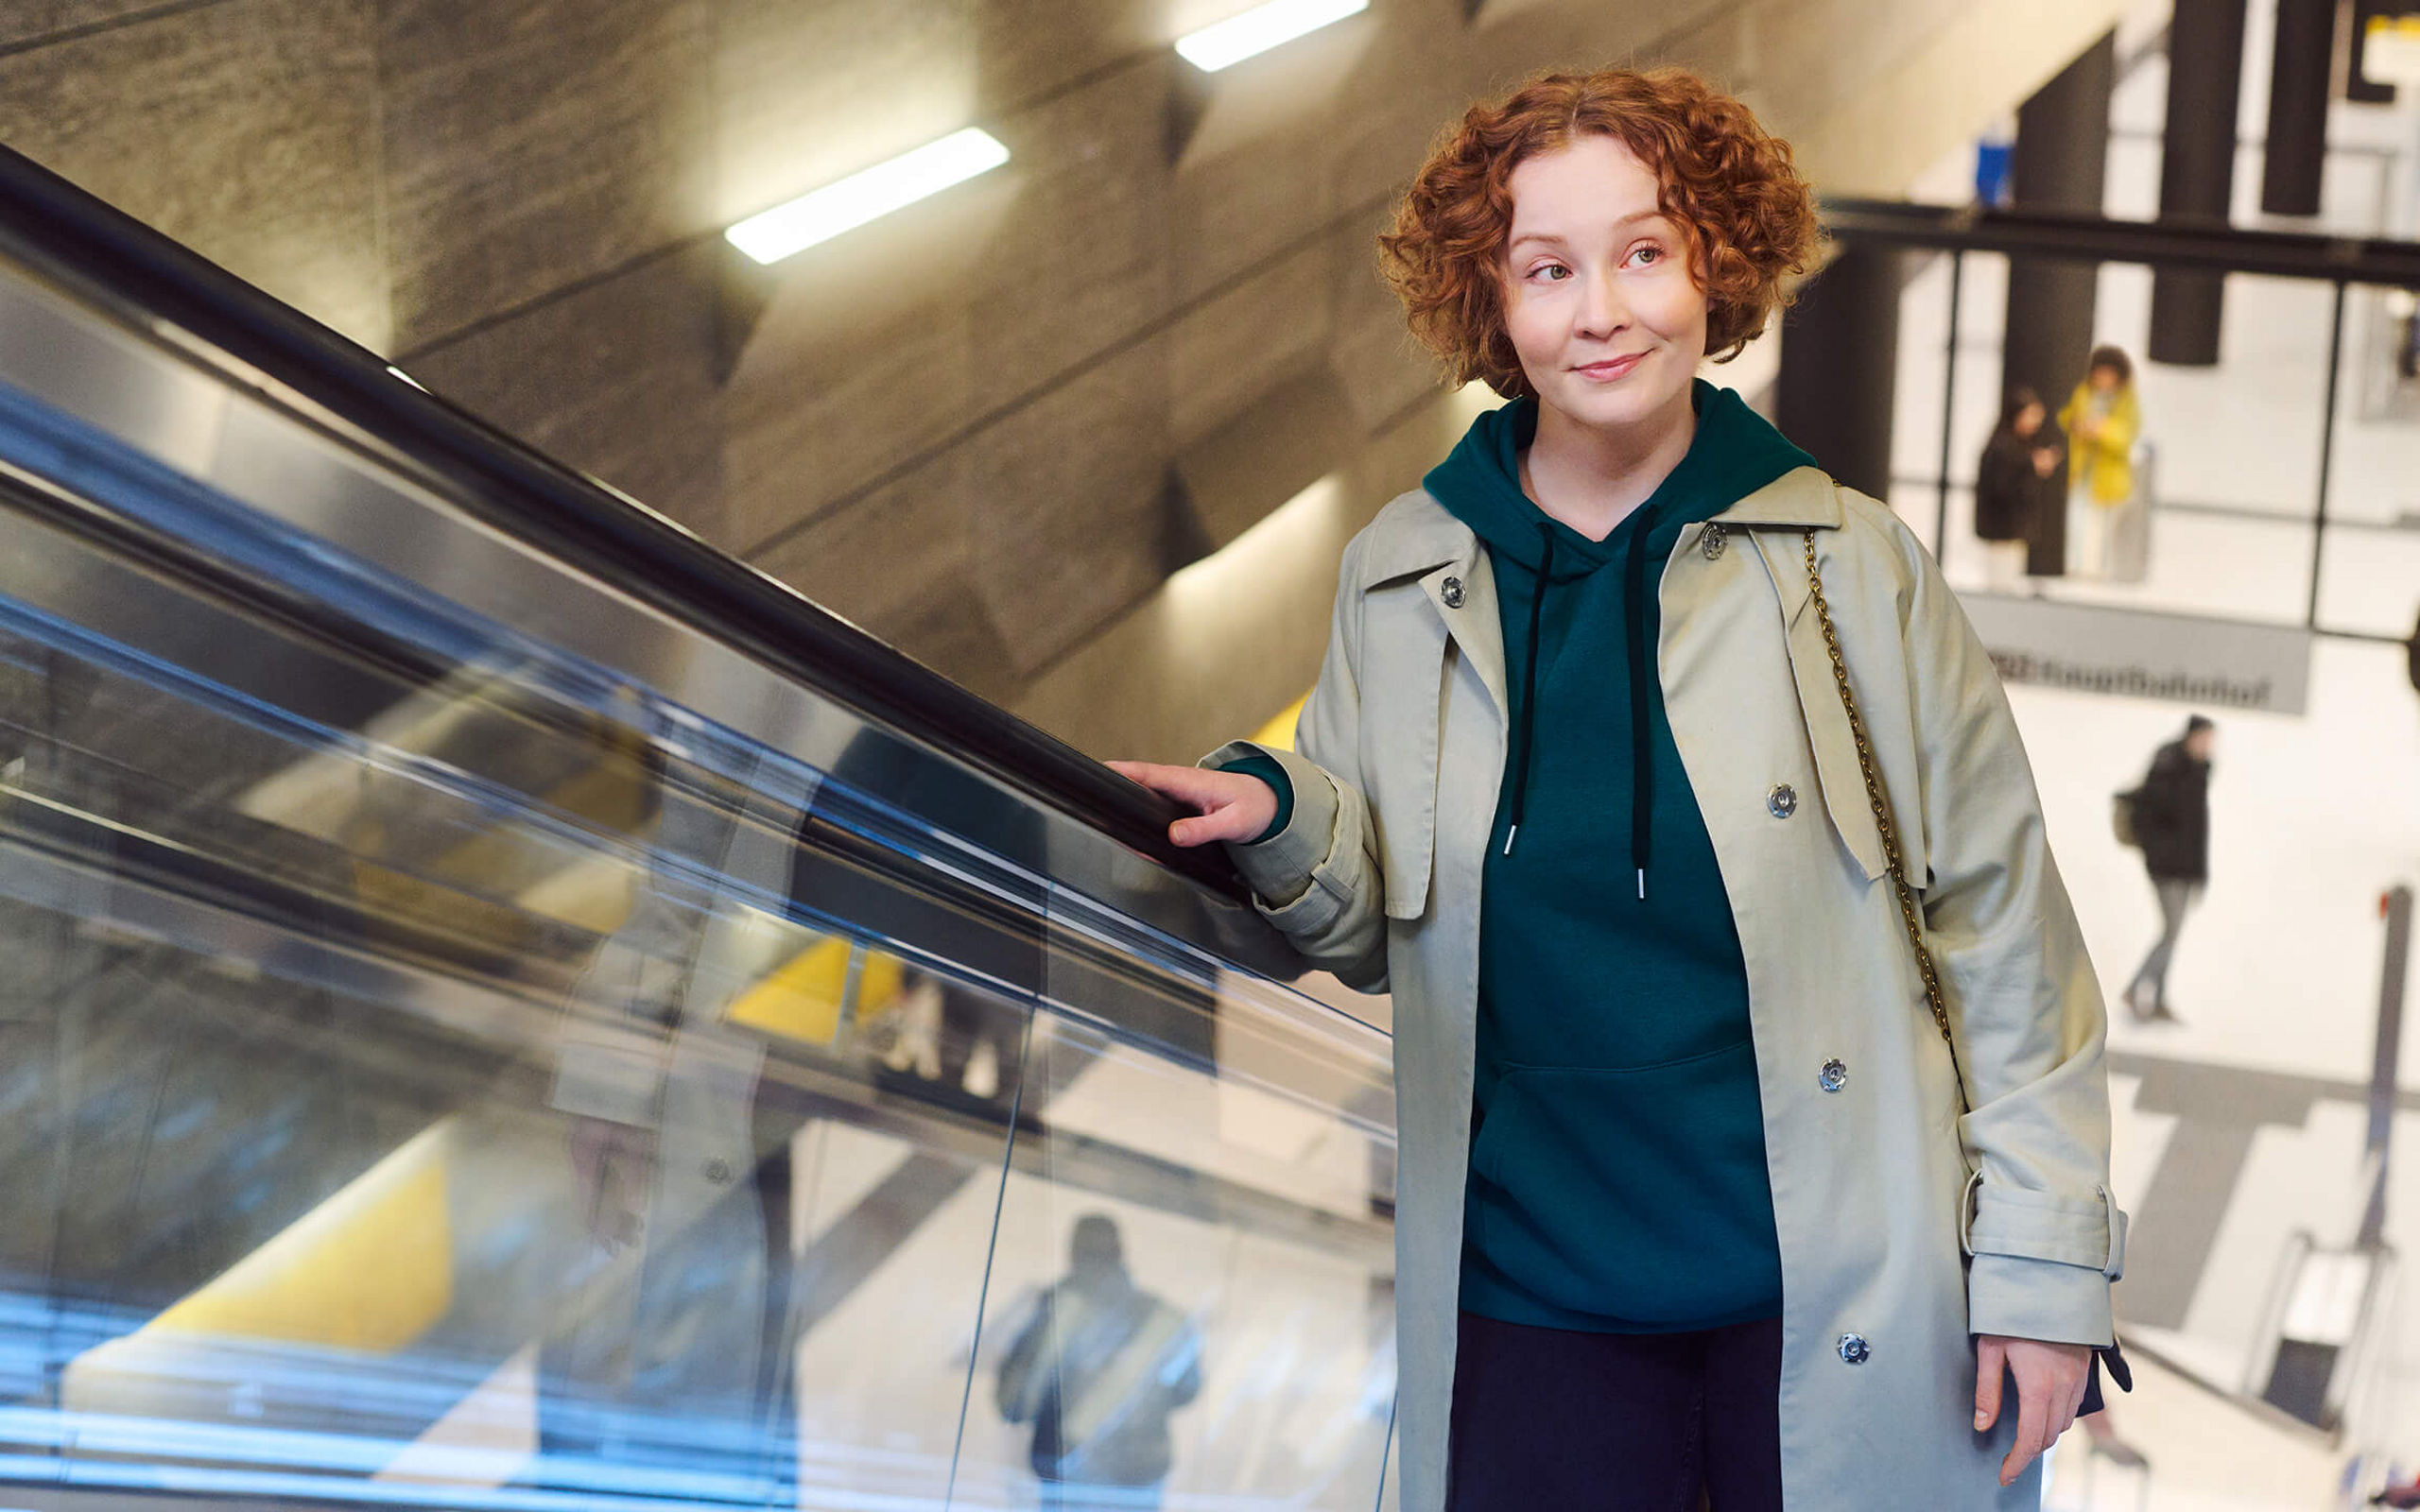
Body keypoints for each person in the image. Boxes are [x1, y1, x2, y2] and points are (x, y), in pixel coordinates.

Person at [1113, 67, 2122, 1512]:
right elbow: (1361, 924)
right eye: (1548, 269)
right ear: (1492, 304)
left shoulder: (1854, 569)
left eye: (1646, 252)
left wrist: (2043, 1265)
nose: (1601, 311)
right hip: (1533, 1316)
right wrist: (1288, 826)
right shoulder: (1405, 577)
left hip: (1838, 1296)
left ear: (1718, 265)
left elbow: (2010, 946)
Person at [996, 1215, 1202, 1511]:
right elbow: (1186, 1391)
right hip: (1126, 1481)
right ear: (1120, 1251)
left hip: (1075, 1478)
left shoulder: (1052, 1309)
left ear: (1073, 1253)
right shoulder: (1161, 1318)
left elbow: (1014, 1403)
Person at [2123, 714, 2215, 1023]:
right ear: (2191, 736)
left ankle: (2158, 999)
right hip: (2167, 870)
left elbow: (2198, 830)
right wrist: (2159, 854)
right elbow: (2149, 818)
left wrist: (2201, 873)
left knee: (2172, 934)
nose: (2208, 745)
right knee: (2170, 932)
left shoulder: (2199, 772)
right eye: (2204, 738)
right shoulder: (2168, 767)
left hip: (2187, 870)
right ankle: (2136, 988)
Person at [2057, 347, 2142, 580]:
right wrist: (2078, 425)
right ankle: (2073, 565)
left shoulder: (2126, 401)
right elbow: (2064, 417)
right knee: (2075, 521)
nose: (2103, 380)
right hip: (2080, 470)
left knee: (2100, 527)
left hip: (2108, 475)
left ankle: (2095, 570)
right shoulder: (2082, 393)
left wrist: (2101, 429)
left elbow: (2127, 435)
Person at [1974, 387, 2064, 594]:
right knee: (2001, 584)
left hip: (2013, 528)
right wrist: (2032, 466)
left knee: (2009, 580)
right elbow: (2001, 486)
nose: (2035, 422)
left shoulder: (2019, 444)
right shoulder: (2002, 446)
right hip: (2002, 527)